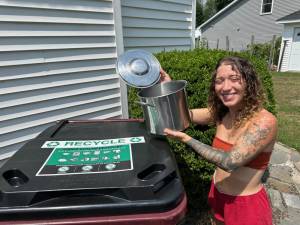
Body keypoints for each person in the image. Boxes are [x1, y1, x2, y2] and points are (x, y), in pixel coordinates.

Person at [161, 56, 277, 225]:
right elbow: (185, 115)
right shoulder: (223, 112)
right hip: (217, 194)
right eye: (219, 81)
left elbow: (230, 162)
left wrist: (186, 139)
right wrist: (170, 88)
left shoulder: (264, 122)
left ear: (248, 83)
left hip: (245, 206)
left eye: (234, 79)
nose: (226, 87)